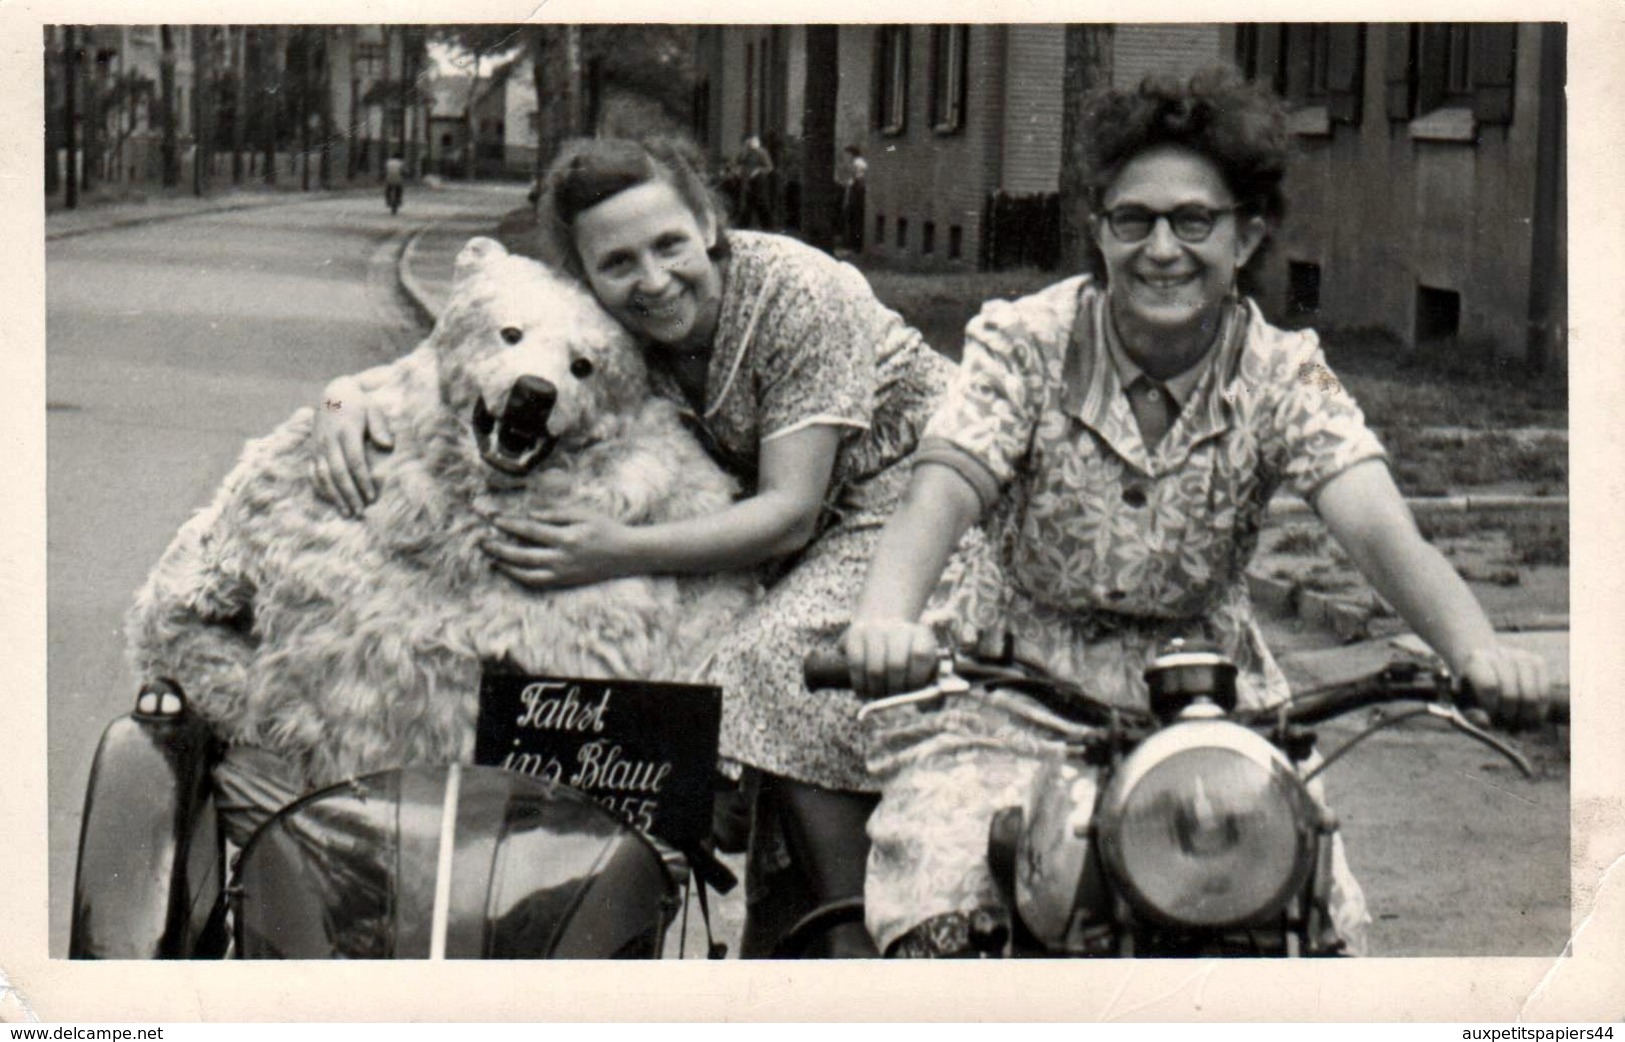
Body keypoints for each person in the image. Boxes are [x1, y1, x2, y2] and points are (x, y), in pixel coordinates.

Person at [839, 69, 1554, 957]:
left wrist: (1476, 651)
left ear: (1246, 234)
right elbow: (939, 491)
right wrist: (882, 625)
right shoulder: (1022, 344)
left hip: (1215, 703)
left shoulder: (1282, 372)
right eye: (1132, 219)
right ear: (1098, 229)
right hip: (1010, 689)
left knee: (1310, 924)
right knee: (947, 913)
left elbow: (1376, 527)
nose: (1162, 249)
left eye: (1194, 221)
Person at [309, 134, 959, 957]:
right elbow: (448, 365)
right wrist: (342, 398)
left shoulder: (798, 293)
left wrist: (614, 550)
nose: (652, 280)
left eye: (669, 245)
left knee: (770, 657)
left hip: (917, 498)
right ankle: (769, 912)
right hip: (806, 527)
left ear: (710, 225)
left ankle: (858, 932)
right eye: (617, 263)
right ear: (584, 276)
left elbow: (791, 511)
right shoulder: (618, 325)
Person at [735, 134, 775, 229]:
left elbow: (769, 167)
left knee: (760, 202)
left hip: (759, 180)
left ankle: (767, 225)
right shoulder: (746, 153)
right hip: (748, 180)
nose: (750, 144)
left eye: (752, 142)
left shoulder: (762, 152)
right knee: (749, 202)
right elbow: (739, 161)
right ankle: (744, 224)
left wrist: (758, 171)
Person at [838, 146, 867, 252]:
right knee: (854, 219)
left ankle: (855, 245)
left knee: (855, 219)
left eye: (847, 155)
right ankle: (853, 243)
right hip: (855, 192)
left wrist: (849, 186)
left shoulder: (858, 163)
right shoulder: (858, 163)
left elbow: (858, 179)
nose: (846, 157)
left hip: (856, 194)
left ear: (851, 154)